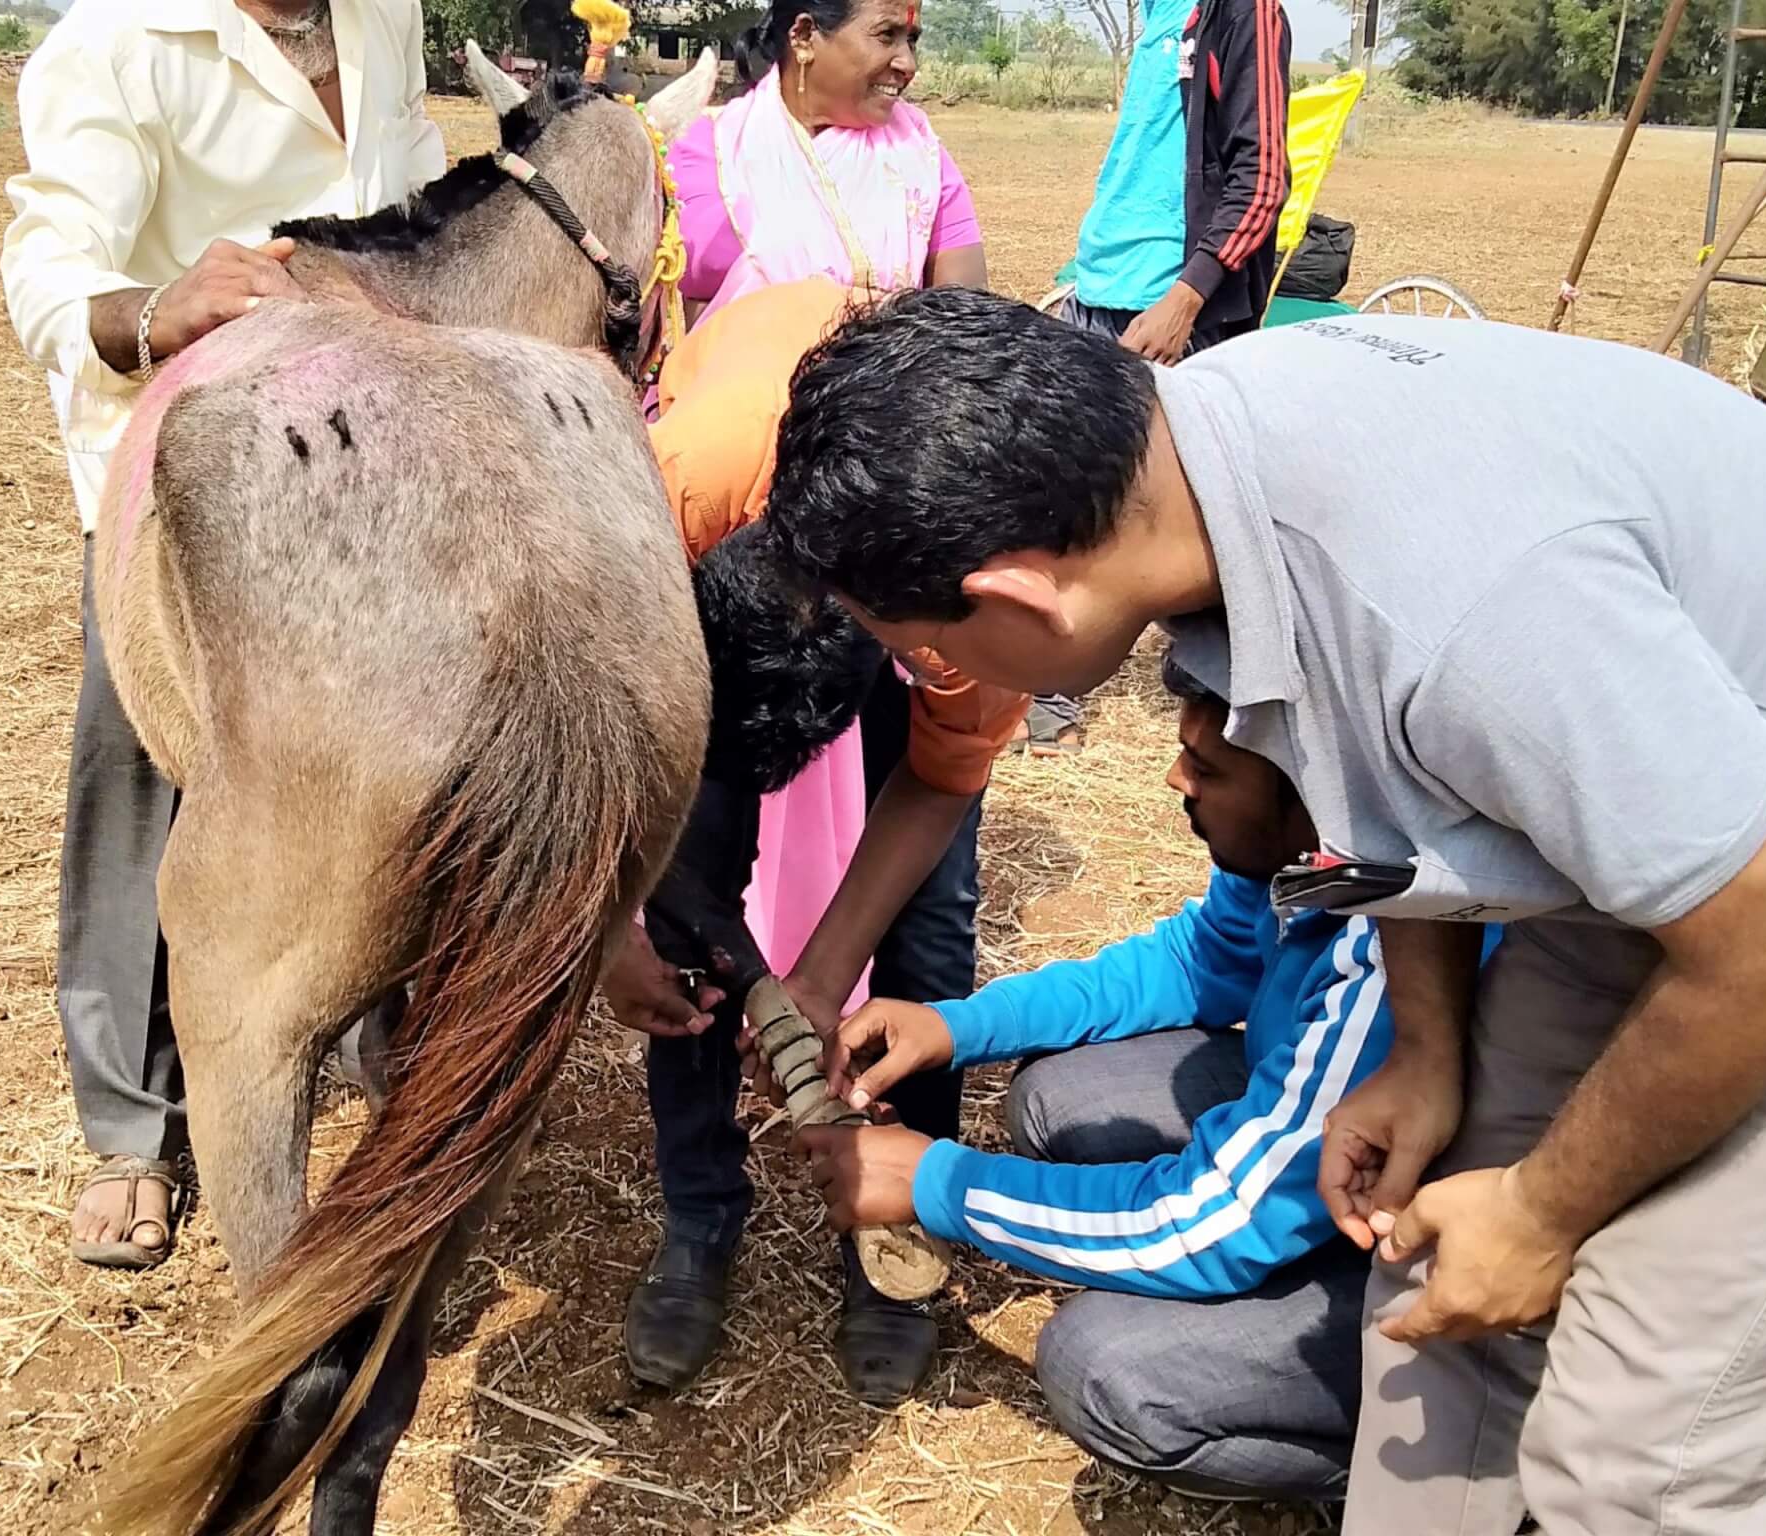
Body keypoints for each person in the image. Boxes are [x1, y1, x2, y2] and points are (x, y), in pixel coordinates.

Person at [758, 286, 1766, 1534]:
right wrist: (1427, 1052)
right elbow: (1392, 792)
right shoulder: (1204, 464)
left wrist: (1540, 1211)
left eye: (926, 643)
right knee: (1435, 1284)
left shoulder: (1465, 617)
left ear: (1024, 598)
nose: (937, 678)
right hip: (1647, 823)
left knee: (1638, 1449)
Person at [776, 651, 1492, 1501]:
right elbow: (1191, 963)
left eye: (1209, 768)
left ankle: (1432, 1469)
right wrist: (953, 1027)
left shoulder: (1391, 964)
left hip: (1404, 1247)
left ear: (1312, 794)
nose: (1172, 778)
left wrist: (938, 1183)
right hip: (1309, 1154)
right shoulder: (1301, 864)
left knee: (1108, 1371)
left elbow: (1212, 1224)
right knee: (1057, 1100)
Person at [0, 0, 445, 1268]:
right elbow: (48, 263)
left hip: (365, 470)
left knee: (374, 768)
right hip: (179, 482)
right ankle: (135, 1128)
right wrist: (156, 311)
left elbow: (405, 178)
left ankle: (361, 1033)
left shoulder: (380, 16)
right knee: (142, 778)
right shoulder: (117, 41)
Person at [606, 277, 1026, 1405]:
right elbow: (588, 733)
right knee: (688, 923)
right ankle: (699, 1219)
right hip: (715, 531)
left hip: (897, 535)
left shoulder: (969, 608)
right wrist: (610, 927)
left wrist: (826, 973)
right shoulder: (671, 494)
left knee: (927, 936)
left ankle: (894, 1236)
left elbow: (936, 783)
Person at [1020, 0, 1290, 757]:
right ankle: (1053, 695)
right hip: (1099, 289)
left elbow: (1264, 174)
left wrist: (1187, 296)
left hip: (1170, 306)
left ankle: (1225, 711)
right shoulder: (1156, 14)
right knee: (1061, 490)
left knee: (1195, 512)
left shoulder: (1245, 10)